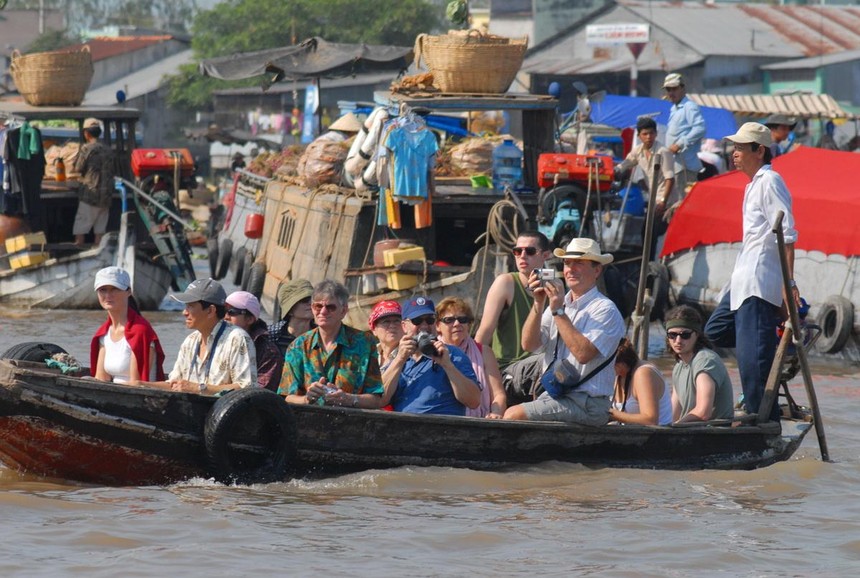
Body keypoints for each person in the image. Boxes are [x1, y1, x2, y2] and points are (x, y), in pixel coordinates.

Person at [704, 122, 799, 421]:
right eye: (734, 148)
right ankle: (762, 343)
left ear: (759, 151)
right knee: (715, 330)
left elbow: (787, 234)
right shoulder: (752, 185)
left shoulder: (770, 180)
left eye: (740, 148)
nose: (734, 154)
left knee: (753, 367)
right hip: (743, 282)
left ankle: (763, 424)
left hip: (759, 281)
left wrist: (788, 284)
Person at [504, 238, 625, 425]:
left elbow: (583, 354)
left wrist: (558, 311)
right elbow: (529, 345)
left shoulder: (605, 309)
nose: (571, 269)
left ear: (597, 270)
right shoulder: (561, 302)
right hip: (556, 395)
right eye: (567, 263)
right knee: (506, 407)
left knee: (513, 415)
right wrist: (538, 302)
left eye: (579, 263)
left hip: (588, 404)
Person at [279, 280, 383, 408]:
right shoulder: (298, 346)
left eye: (330, 307)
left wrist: (348, 399)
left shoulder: (364, 342)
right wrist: (307, 399)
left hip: (351, 418)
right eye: (318, 306)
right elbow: (287, 397)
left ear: (343, 311)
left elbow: (376, 399)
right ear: (312, 308)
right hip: (310, 418)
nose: (323, 312)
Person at [474, 230, 550, 404]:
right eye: (517, 251)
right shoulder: (506, 283)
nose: (522, 256)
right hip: (508, 370)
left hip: (540, 371)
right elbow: (483, 334)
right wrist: (475, 373)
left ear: (545, 255)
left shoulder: (554, 289)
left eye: (530, 251)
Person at [145, 278, 257, 393]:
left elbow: (247, 388)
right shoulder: (190, 341)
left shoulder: (237, 339)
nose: (184, 312)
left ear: (210, 311)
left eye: (190, 306)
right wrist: (141, 385)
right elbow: (174, 384)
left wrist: (199, 388)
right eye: (186, 306)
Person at [384, 296, 481, 415]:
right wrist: (399, 360)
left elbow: (474, 401)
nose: (424, 326)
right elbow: (380, 399)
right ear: (404, 326)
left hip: (441, 424)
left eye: (429, 320)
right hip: (404, 424)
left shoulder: (452, 354)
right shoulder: (397, 359)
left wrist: (448, 365)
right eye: (417, 321)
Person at [90, 266, 165, 384]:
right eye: (103, 290)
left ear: (129, 292)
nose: (108, 295)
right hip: (115, 392)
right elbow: (101, 378)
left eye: (115, 289)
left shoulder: (140, 331)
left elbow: (136, 383)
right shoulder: (104, 332)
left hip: (137, 393)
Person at [435, 297, 506, 419]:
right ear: (437, 326)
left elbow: (498, 394)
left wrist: (496, 413)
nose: (457, 324)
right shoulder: (431, 352)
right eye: (449, 320)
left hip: (481, 420)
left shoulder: (484, 352)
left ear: (468, 324)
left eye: (462, 319)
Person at [666, 305, 734, 423]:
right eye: (672, 335)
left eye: (685, 335)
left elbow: (703, 412)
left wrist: (675, 426)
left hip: (713, 431)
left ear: (697, 334)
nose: (678, 341)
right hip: (690, 429)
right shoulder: (678, 366)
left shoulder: (705, 361)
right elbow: (674, 413)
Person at [615, 116, 676, 221]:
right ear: (639, 136)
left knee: (655, 228)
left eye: (651, 133)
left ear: (656, 134)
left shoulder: (663, 151)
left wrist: (663, 201)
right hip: (653, 200)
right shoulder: (638, 151)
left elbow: (670, 179)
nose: (648, 137)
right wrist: (615, 171)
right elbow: (625, 164)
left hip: (665, 202)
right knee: (647, 229)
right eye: (645, 134)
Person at [225, 290, 283, 392]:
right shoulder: (213, 341)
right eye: (223, 311)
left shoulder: (269, 352)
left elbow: (259, 392)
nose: (225, 317)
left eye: (232, 312)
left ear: (249, 319)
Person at [608, 337, 671, 426]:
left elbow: (651, 420)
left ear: (620, 364)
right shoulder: (618, 374)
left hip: (657, 433)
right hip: (630, 432)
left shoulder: (643, 373)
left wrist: (609, 413)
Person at [72, 118, 115, 246]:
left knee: (81, 227)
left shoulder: (87, 149)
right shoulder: (108, 149)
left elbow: (78, 168)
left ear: (86, 133)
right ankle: (98, 253)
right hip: (106, 195)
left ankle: (78, 250)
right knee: (100, 230)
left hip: (91, 194)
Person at [663, 73, 706, 197]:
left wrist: (680, 144)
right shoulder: (675, 108)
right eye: (668, 89)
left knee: (685, 201)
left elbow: (700, 128)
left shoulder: (689, 106)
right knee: (678, 201)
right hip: (676, 165)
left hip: (685, 166)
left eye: (674, 89)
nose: (671, 92)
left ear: (682, 88)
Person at [269, 278, 315, 355]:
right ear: (290, 310)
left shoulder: (323, 335)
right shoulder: (270, 336)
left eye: (313, 299)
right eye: (305, 300)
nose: (311, 303)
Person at [368, 300, 404, 371]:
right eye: (386, 322)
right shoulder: (368, 355)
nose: (392, 326)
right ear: (374, 330)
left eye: (397, 321)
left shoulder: (412, 353)